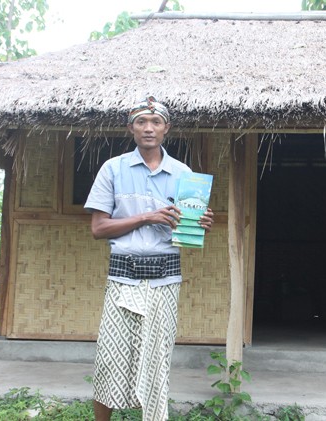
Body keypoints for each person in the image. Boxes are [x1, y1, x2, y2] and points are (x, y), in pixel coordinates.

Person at [84, 97, 214, 421]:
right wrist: (146, 217)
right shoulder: (113, 169)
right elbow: (98, 228)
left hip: (164, 279)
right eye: (141, 122)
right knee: (109, 359)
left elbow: (185, 232)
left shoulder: (183, 174)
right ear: (131, 128)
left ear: (166, 128)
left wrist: (198, 223)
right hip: (122, 277)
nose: (148, 128)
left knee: (155, 361)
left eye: (156, 122)